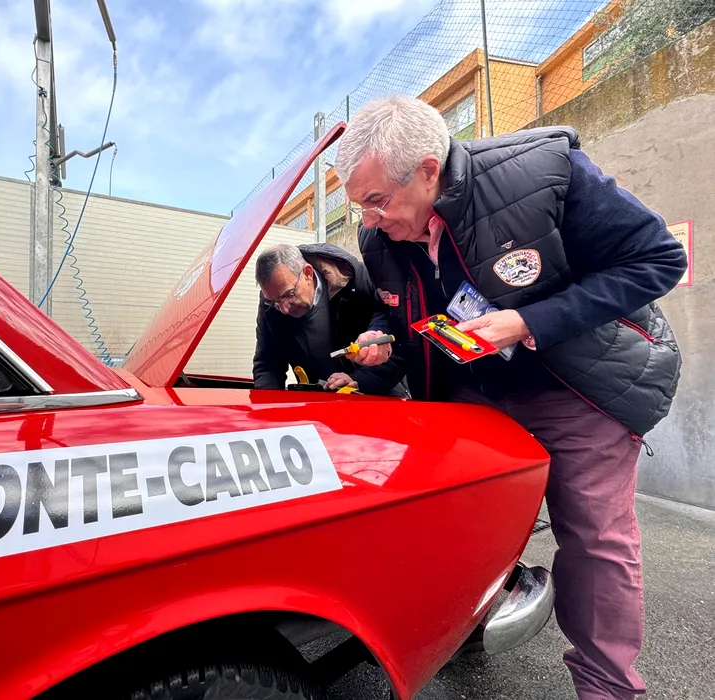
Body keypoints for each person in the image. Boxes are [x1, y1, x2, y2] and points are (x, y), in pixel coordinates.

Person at [335, 95, 687, 700]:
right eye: (358, 205)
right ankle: (467, 630)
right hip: (471, 394)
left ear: (427, 170)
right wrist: (380, 338)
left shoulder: (542, 172)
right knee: (460, 525)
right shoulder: (381, 237)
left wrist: (528, 321)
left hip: (574, 387)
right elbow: (397, 310)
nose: (368, 220)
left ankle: (608, 688)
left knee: (595, 540)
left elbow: (656, 259)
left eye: (375, 200)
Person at [252, 242, 405, 395]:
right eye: (275, 302)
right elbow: (267, 363)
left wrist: (359, 380)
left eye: (289, 294)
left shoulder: (357, 281)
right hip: (321, 402)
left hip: (379, 397)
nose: (284, 309)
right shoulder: (270, 303)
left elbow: (400, 343)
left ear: (307, 273)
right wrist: (268, 404)